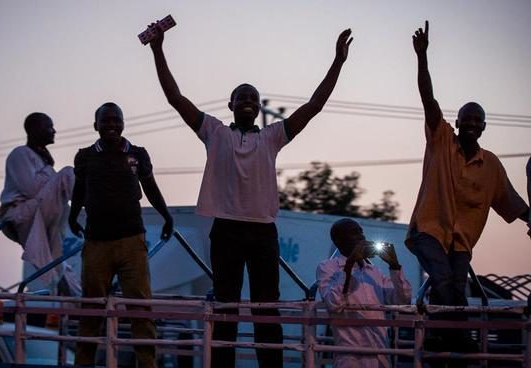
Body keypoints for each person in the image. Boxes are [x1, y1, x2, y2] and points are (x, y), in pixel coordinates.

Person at [149, 22, 353, 368]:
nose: (247, 101)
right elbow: (175, 97)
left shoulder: (272, 137)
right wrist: (157, 49)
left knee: (266, 307)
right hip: (226, 228)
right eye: (241, 96)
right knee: (226, 305)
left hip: (262, 230)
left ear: (258, 107)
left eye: (253, 98)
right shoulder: (213, 131)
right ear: (230, 104)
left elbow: (314, 105)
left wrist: (338, 61)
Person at [407, 20, 530, 349]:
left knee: (458, 292)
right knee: (443, 279)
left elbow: (512, 202)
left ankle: (442, 343)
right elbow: (428, 99)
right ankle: (458, 341)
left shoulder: (490, 165)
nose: (471, 124)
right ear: (457, 122)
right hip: (429, 229)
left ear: (484, 126)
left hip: (460, 242)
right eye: (467, 119)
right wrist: (422, 57)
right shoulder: (441, 140)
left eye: (478, 120)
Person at [69, 102, 173, 368]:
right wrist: (72, 215)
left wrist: (166, 215)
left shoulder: (137, 154)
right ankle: (83, 363)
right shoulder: (84, 156)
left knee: (140, 309)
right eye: (106, 121)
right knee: (91, 310)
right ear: (96, 125)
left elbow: (150, 186)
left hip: (131, 241)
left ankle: (147, 364)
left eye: (117, 120)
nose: (112, 125)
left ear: (124, 124)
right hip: (96, 243)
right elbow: (79, 189)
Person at [0, 112, 78, 295]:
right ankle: (93, 206)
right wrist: (51, 177)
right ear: (33, 129)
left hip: (41, 215)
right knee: (67, 173)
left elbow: (45, 188)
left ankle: (71, 301)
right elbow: (31, 189)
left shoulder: (44, 162)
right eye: (49, 126)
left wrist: (48, 172)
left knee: (57, 265)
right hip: (23, 212)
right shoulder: (20, 154)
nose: (54, 131)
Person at [316, 218, 411, 368]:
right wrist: (350, 264)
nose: (362, 237)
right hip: (350, 357)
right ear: (339, 240)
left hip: (381, 356)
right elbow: (334, 304)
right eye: (355, 233)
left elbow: (402, 301)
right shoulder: (327, 267)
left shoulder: (374, 271)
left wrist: (394, 265)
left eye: (361, 232)